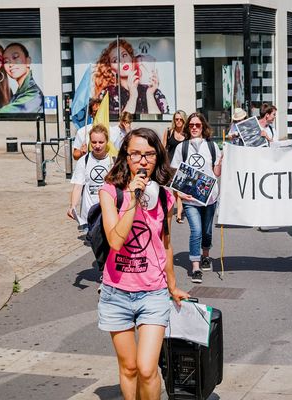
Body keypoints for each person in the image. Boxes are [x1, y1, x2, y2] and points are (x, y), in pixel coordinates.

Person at [98, 127, 189, 398]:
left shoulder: (164, 195)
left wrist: (173, 286)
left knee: (147, 368)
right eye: (136, 154)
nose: (142, 161)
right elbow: (115, 240)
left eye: (149, 155)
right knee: (129, 368)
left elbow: (166, 244)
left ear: (157, 157)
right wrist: (133, 201)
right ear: (126, 156)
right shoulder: (110, 191)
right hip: (116, 292)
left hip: (153, 292)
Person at [171, 113, 223, 284]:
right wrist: (179, 193)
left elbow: (216, 174)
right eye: (191, 124)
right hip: (190, 199)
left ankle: (205, 255)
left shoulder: (212, 146)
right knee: (196, 231)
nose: (194, 127)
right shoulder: (182, 148)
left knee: (207, 231)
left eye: (198, 125)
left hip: (210, 198)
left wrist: (220, 162)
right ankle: (195, 266)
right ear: (187, 127)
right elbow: (174, 173)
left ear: (203, 127)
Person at [93, 39, 168, 115]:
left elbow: (160, 123)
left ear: (131, 58)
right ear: (112, 70)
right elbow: (117, 124)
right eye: (115, 60)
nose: (122, 61)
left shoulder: (153, 91)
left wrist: (149, 95)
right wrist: (133, 96)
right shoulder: (108, 94)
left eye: (124, 55)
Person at [67, 124, 113, 233]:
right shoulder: (84, 161)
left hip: (108, 213)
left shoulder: (113, 161)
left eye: (101, 142)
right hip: (88, 215)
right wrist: (72, 206)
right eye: (94, 142)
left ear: (107, 141)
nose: (97, 146)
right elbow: (78, 187)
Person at [0, 42, 43, 114]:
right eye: (6, 61)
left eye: (15, 57)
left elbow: (3, 114)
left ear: (28, 61)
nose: (11, 64)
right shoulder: (21, 91)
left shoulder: (33, 94)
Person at [163, 110, 188, 223]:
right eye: (176, 119)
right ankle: (180, 211)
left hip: (183, 165)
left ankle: (178, 214)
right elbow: (163, 148)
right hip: (171, 165)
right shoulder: (169, 132)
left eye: (180, 119)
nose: (178, 121)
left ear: (184, 120)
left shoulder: (187, 134)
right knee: (175, 190)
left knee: (179, 189)